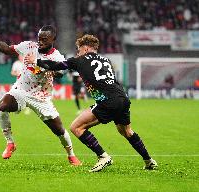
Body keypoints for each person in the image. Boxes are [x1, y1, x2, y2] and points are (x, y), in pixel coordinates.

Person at [25, 34, 157, 172]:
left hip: (107, 101)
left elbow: (57, 66)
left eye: (79, 49)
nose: (78, 52)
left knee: (76, 127)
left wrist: (36, 61)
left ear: (86, 48)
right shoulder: (106, 60)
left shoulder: (79, 60)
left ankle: (103, 156)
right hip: (123, 98)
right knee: (127, 131)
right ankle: (149, 161)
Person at [0, 25, 81, 166]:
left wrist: (40, 64)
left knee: (59, 130)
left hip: (41, 97)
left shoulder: (57, 57)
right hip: (21, 90)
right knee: (2, 106)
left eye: (44, 39)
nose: (40, 42)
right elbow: (6, 49)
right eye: (39, 39)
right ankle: (10, 143)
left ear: (53, 39)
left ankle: (71, 155)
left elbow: (60, 71)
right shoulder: (28, 46)